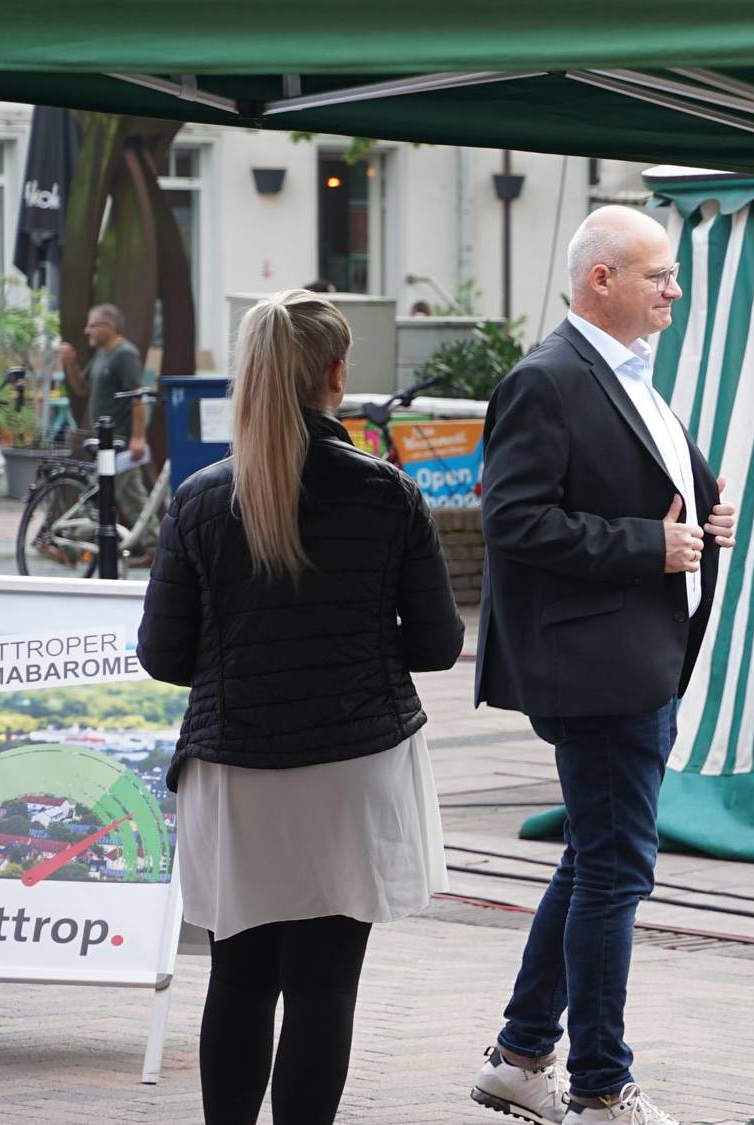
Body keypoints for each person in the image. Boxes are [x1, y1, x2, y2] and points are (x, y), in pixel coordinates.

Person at [137, 290, 463, 1125]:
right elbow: (435, 645)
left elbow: (164, 655)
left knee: (238, 981)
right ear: (336, 374)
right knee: (325, 990)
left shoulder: (202, 498)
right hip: (353, 769)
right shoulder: (387, 493)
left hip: (235, 772)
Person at [469, 205, 739, 1125]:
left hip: (638, 654)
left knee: (592, 858)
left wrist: (703, 520)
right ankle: (597, 1085)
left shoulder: (627, 374)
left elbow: (660, 492)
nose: (674, 289)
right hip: (598, 665)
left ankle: (519, 1053)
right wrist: (647, 546)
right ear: (602, 281)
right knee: (617, 868)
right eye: (658, 274)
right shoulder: (547, 379)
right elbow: (510, 519)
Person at [61, 303, 151, 527]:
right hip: (104, 439)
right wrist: (71, 364)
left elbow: (137, 395)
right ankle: (76, 547)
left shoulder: (125, 354)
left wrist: (138, 438)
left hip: (119, 440)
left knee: (127, 497)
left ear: (109, 327)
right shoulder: (102, 354)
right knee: (105, 494)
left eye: (92, 325)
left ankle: (156, 549)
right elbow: (82, 388)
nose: (86, 331)